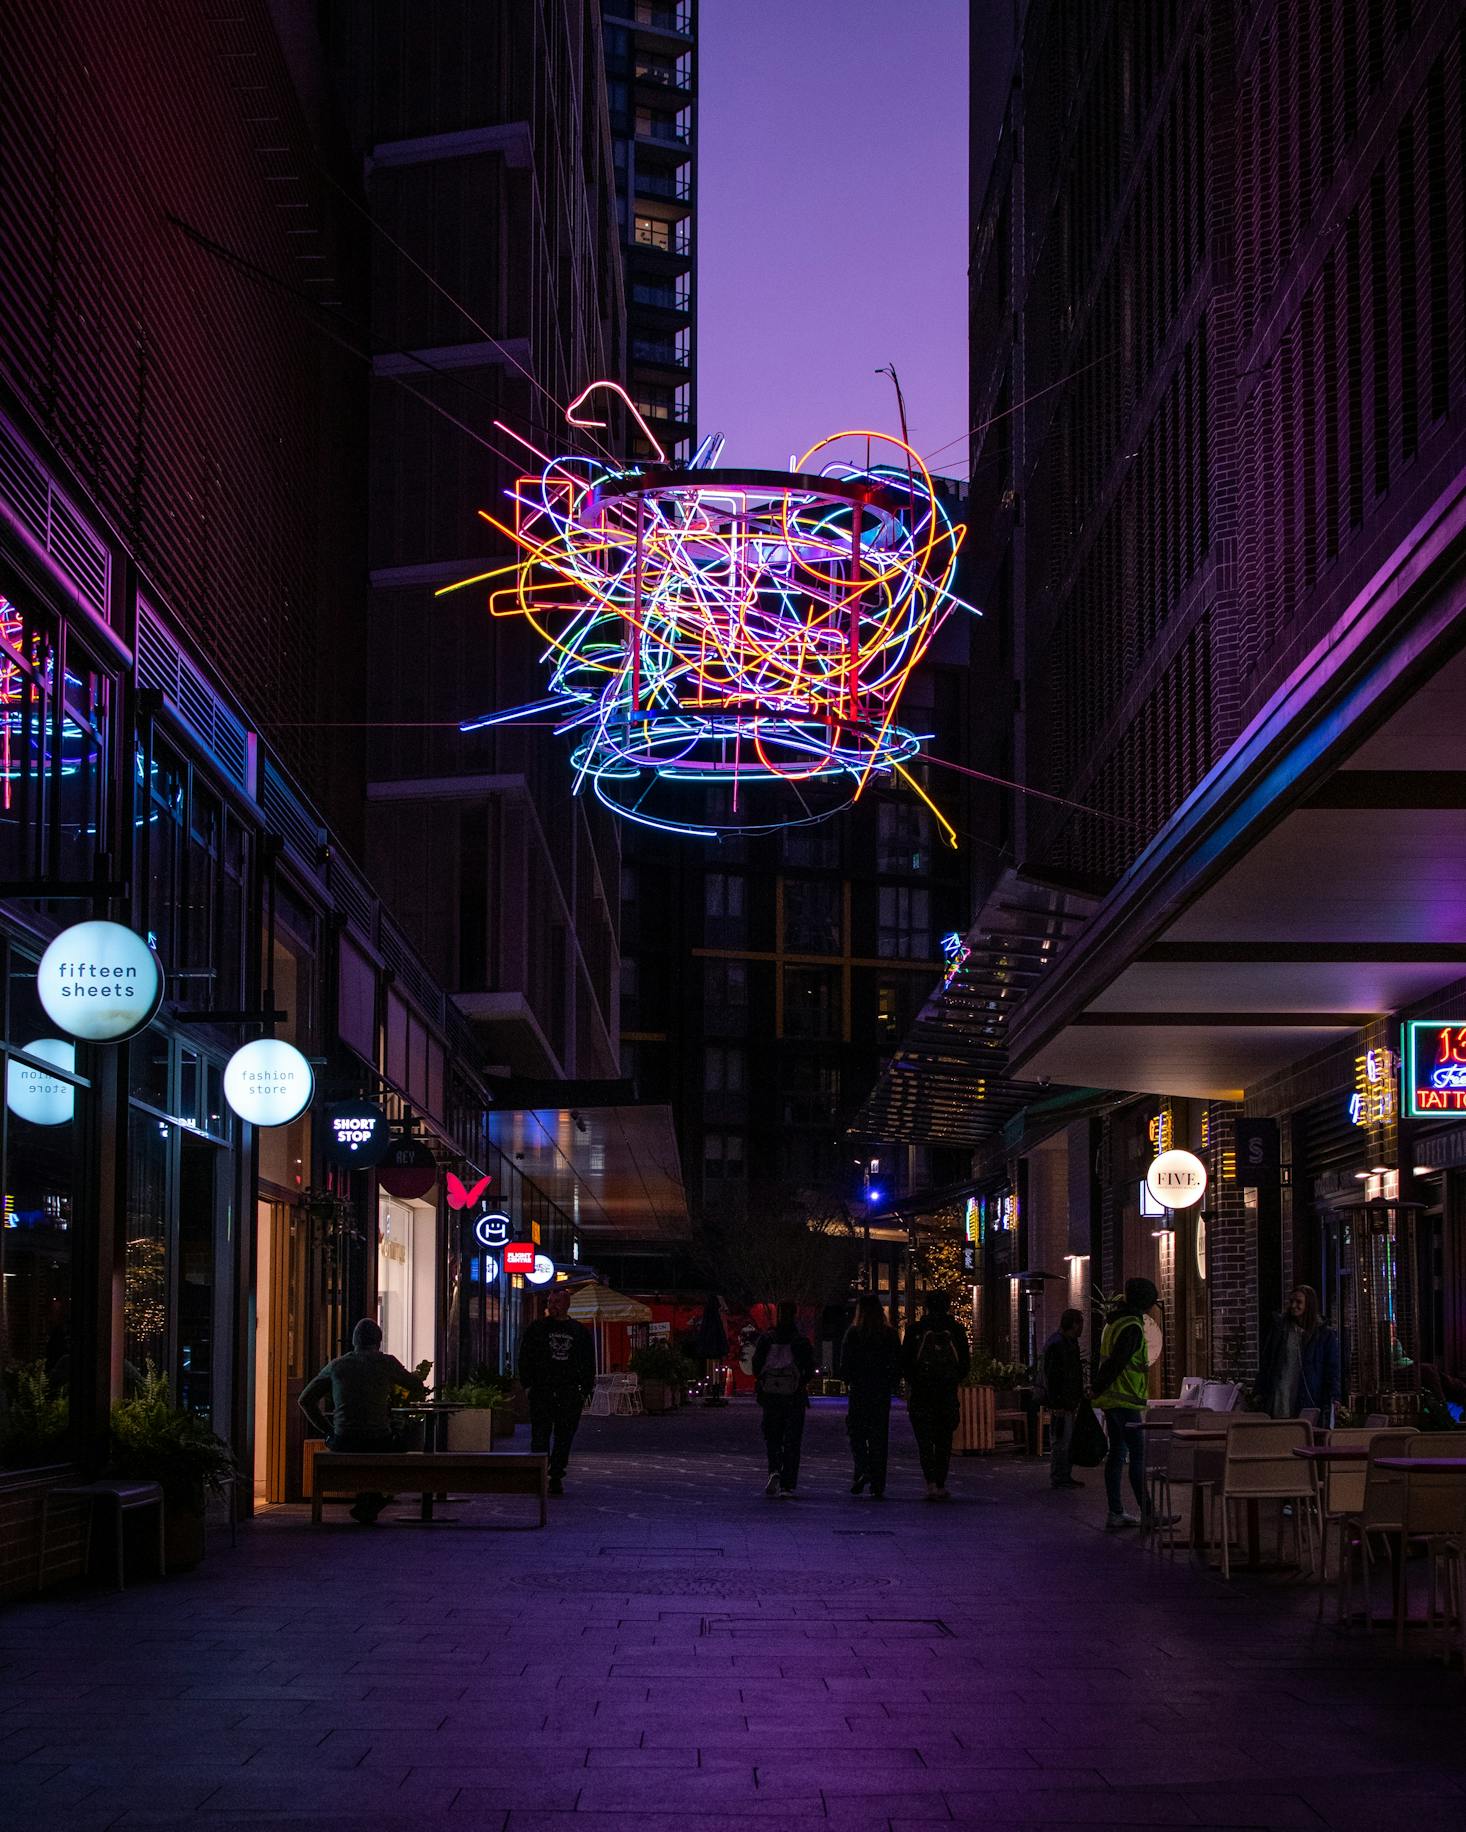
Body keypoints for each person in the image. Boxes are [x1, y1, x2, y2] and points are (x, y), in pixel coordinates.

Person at [298, 1317, 427, 1525]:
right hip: (379, 1441)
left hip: (343, 1441)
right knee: (405, 1445)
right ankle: (373, 1499)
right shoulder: (385, 1363)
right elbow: (417, 1385)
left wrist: (328, 1430)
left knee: (375, 1444)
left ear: (354, 1341)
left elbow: (305, 1400)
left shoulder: (337, 1366)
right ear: (379, 1341)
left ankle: (368, 1500)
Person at [1092, 1278, 1160, 1531]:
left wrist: (1097, 1387)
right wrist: (1097, 1386)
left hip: (1113, 1398)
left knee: (1117, 1454)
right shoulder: (1132, 1326)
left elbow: (1111, 1361)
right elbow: (1118, 1362)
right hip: (1125, 1399)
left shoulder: (1114, 1322)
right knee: (1136, 1455)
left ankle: (1116, 1512)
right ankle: (1148, 1512)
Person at [518, 1285, 595, 1496]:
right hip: (542, 1390)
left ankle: (556, 1475)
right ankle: (539, 1473)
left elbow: (588, 1362)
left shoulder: (578, 1332)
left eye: (557, 1302)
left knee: (564, 1435)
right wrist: (528, 1385)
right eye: (550, 1302)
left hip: (568, 1392)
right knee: (540, 1434)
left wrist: (584, 1389)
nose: (553, 1307)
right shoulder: (537, 1329)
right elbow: (525, 1357)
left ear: (567, 1304)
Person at [901, 1290, 971, 1501]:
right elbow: (965, 1365)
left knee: (924, 1441)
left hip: (922, 1395)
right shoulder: (956, 1331)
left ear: (927, 1306)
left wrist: (916, 1382)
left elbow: (905, 1363)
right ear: (948, 1305)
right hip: (947, 1394)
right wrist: (951, 1381)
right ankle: (940, 1483)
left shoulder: (915, 1330)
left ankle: (930, 1482)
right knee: (943, 1440)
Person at [839, 1294, 903, 1497]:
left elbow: (845, 1363)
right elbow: (897, 1362)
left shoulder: (854, 1334)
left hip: (860, 1389)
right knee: (879, 1436)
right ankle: (878, 1483)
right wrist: (891, 1382)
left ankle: (862, 1467)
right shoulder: (889, 1334)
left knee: (856, 1431)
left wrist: (849, 1379)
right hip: (881, 1391)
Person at [752, 1301, 815, 1497]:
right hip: (794, 1396)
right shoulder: (800, 1341)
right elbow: (810, 1368)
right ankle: (788, 1483)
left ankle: (774, 1470)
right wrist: (800, 1381)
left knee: (772, 1435)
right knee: (792, 1439)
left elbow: (756, 1367)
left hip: (771, 1395)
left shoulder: (767, 1339)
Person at [1256, 1284, 1342, 1423]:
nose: (1293, 1306)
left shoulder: (1324, 1335)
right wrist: (1260, 1389)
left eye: (1299, 1302)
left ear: (1309, 1305)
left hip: (1308, 1393)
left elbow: (1332, 1368)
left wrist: (1334, 1396)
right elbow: (1268, 1361)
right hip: (1282, 1391)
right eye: (1291, 1301)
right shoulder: (1281, 1330)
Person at [1041, 1308, 1086, 1490]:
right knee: (1061, 1440)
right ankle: (1060, 1477)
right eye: (1081, 1323)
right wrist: (1057, 1402)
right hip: (1063, 1401)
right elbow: (1053, 1376)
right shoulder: (1060, 1344)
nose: (1082, 1328)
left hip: (1068, 1400)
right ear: (1074, 1324)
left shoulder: (1064, 1342)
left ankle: (1063, 1475)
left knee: (1064, 1440)